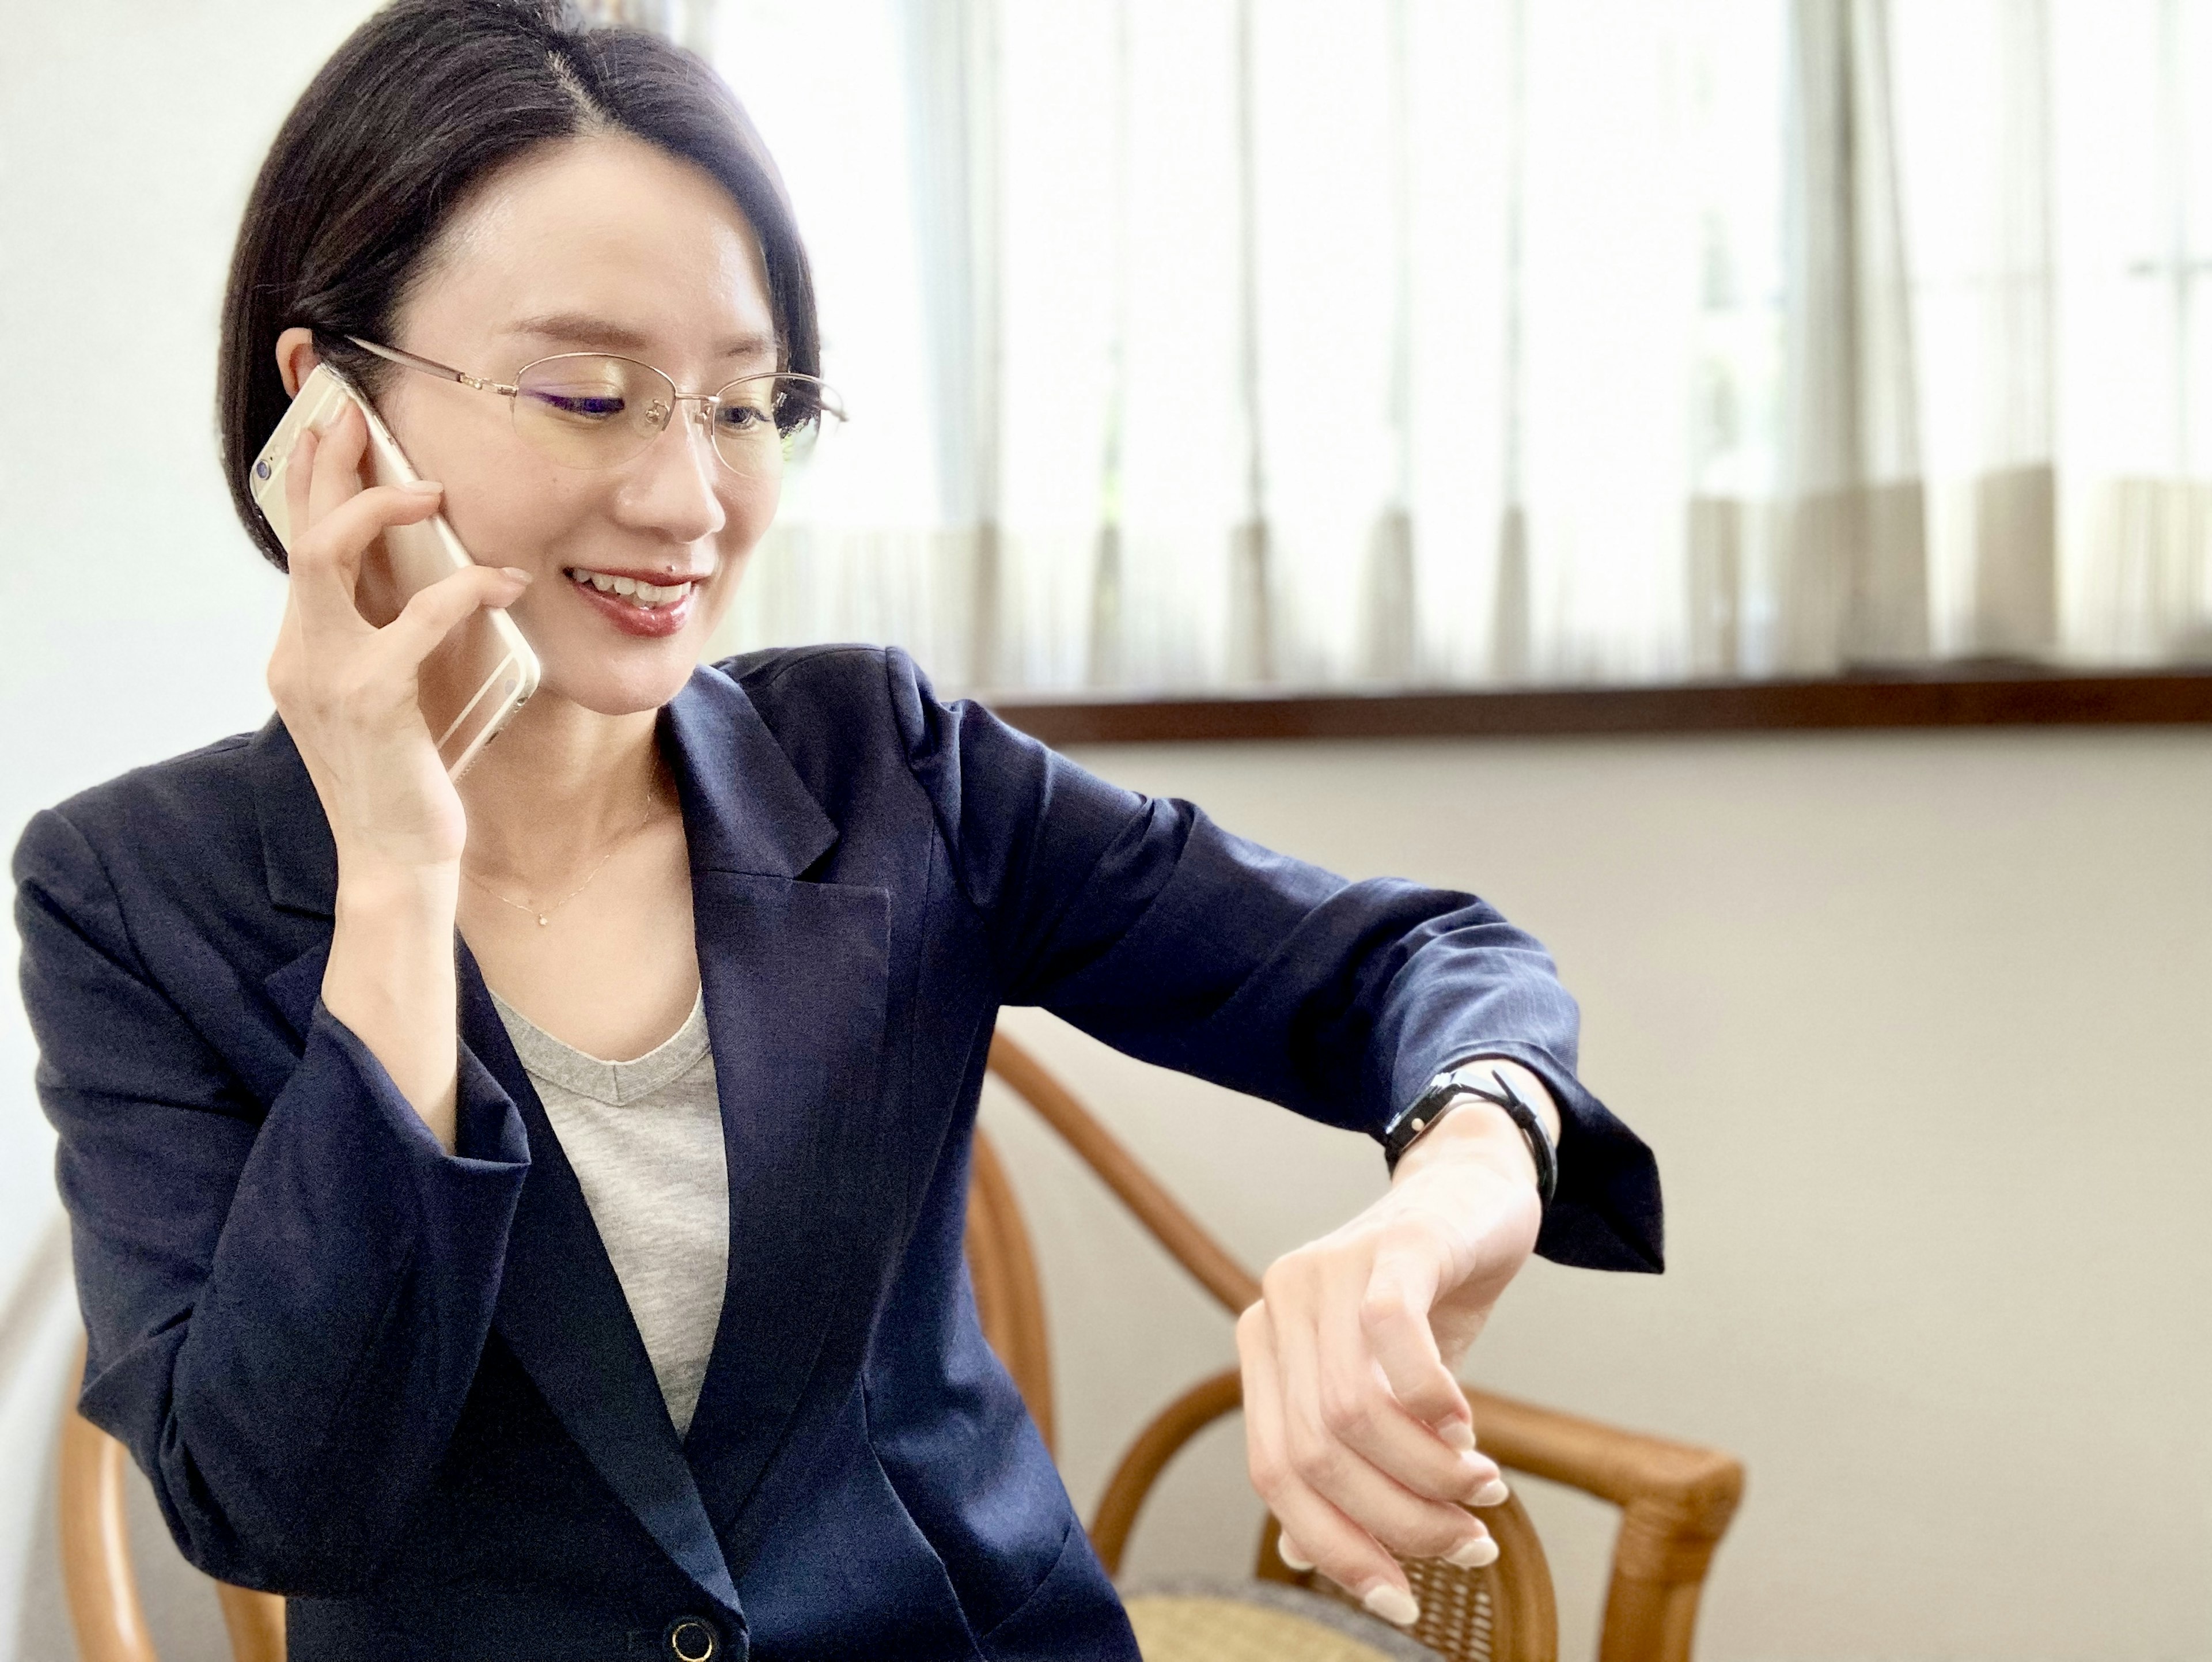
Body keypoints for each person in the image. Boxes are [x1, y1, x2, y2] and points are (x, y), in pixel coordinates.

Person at [12, 3, 1661, 1659]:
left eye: (742, 405)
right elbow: (285, 1502)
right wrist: (396, 874)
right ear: (326, 411)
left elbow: (1422, 965)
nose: (689, 502)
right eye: (592, 395)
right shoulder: (132, 897)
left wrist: (1450, 1183)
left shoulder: (885, 765)